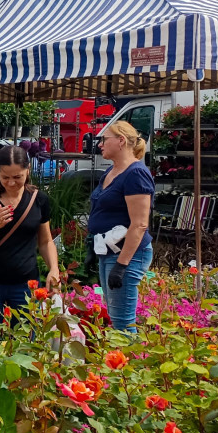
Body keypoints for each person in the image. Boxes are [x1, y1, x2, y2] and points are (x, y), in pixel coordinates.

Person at [0, 146, 60, 326]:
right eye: (5, 177)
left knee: (25, 343)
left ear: (27, 170)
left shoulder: (39, 200)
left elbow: (45, 241)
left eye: (18, 177)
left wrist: (54, 269)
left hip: (25, 284)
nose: (11, 183)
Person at [88, 121, 154, 332]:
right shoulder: (111, 171)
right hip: (108, 251)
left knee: (123, 323)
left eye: (104, 139)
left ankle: (130, 362)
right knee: (116, 316)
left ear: (121, 140)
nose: (100, 144)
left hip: (128, 254)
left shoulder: (135, 174)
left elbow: (140, 224)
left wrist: (121, 266)